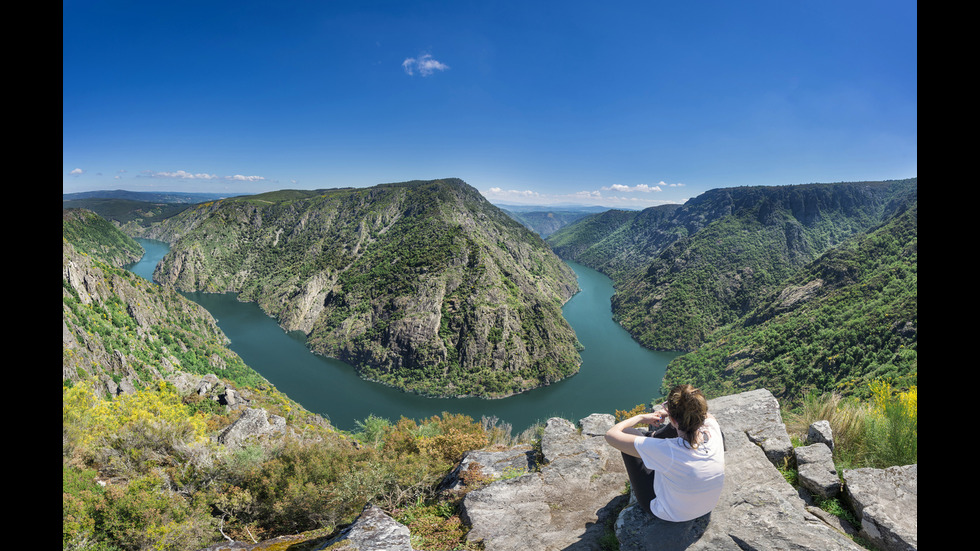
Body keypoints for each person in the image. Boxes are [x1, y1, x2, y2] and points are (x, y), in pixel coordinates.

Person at [604, 384, 725, 522]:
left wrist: (641, 417)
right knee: (684, 427)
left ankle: (651, 437)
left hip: (670, 513)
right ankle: (654, 435)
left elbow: (611, 435)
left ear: (672, 419)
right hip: (707, 506)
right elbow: (704, 416)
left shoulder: (667, 451)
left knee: (628, 433)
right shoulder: (713, 429)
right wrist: (675, 414)